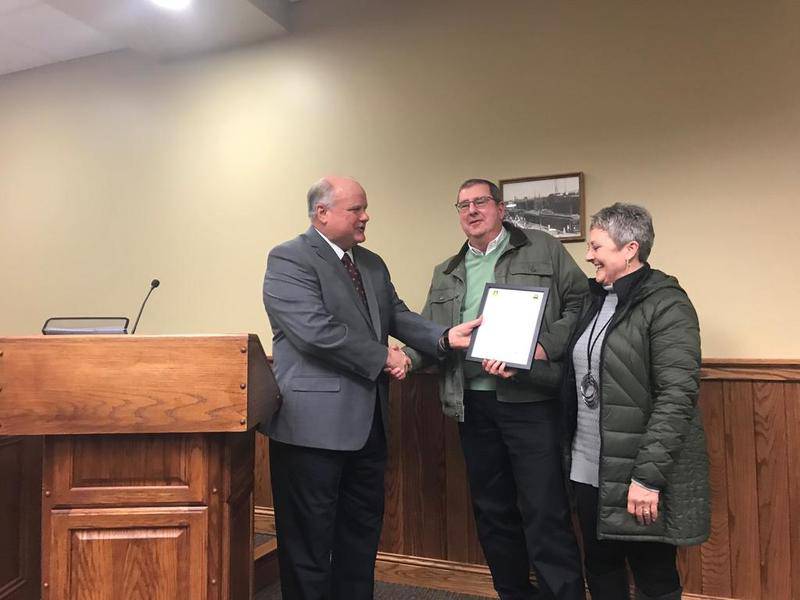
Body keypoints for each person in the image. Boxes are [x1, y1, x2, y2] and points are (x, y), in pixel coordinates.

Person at [262, 175, 480, 600]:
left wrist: (444, 337)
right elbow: (314, 332)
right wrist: (384, 356)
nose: (366, 216)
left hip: (369, 426)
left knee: (360, 539)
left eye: (365, 208)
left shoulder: (371, 263)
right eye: (356, 209)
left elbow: (395, 315)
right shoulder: (289, 259)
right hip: (310, 431)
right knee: (308, 544)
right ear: (321, 214)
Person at [404, 179, 588, 600]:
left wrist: (544, 347)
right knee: (492, 510)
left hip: (530, 401)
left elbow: (582, 303)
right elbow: (431, 332)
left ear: (501, 208)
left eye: (480, 202)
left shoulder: (544, 249)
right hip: (473, 404)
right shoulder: (446, 271)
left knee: (545, 510)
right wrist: (405, 360)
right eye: (462, 204)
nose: (471, 210)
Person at [563, 203, 710, 600]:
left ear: (630, 249)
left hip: (637, 474)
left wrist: (647, 478)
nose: (589, 255)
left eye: (596, 247)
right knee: (601, 568)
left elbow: (677, 395)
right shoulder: (593, 300)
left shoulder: (668, 304)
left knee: (654, 576)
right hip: (587, 467)